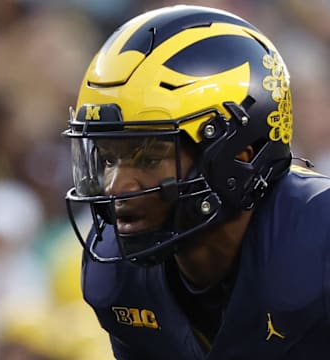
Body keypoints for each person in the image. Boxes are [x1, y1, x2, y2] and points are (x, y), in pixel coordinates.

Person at [63, 5, 330, 359]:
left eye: (149, 157)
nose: (116, 186)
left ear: (241, 154)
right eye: (109, 158)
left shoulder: (318, 240)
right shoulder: (117, 276)